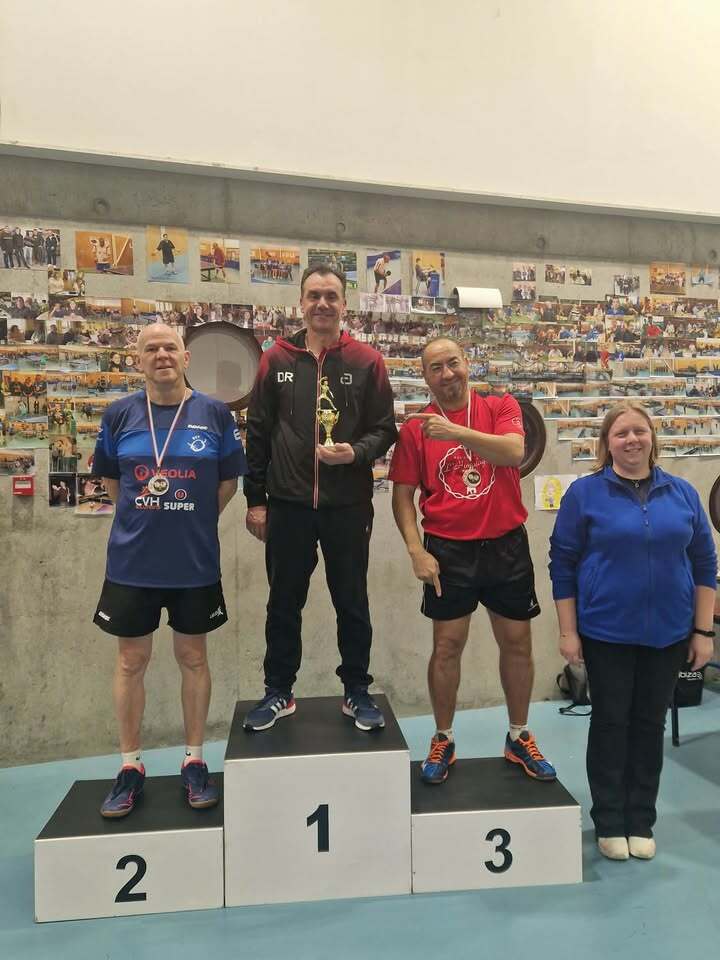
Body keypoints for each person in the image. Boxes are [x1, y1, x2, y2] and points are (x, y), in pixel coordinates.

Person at [549, 400, 717, 861]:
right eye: (621, 433)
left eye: (639, 431)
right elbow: (562, 565)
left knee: (649, 723)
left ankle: (640, 819)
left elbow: (705, 564)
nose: (632, 440)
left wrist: (703, 632)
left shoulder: (682, 493)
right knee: (610, 722)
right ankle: (609, 820)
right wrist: (568, 632)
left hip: (669, 634)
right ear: (607, 443)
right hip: (606, 633)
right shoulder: (585, 494)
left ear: (652, 438)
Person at [92, 323, 246, 817]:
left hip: (193, 563)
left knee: (193, 658)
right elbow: (114, 484)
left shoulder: (214, 413)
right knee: (130, 662)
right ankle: (130, 765)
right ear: (138, 360)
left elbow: (228, 484)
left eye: (169, 347)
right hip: (132, 564)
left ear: (186, 357)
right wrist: (145, 519)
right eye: (151, 349)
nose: (161, 355)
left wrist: (191, 520)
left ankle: (194, 760)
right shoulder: (119, 414)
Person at [389, 337, 556, 784]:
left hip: (505, 545)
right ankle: (443, 738)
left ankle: (519, 736)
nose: (447, 374)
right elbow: (402, 496)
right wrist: (415, 550)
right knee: (447, 646)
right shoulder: (415, 430)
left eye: (453, 363)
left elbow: (513, 452)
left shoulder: (501, 406)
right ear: (425, 377)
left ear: (467, 363)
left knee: (517, 643)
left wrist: (456, 433)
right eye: (435, 368)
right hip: (448, 550)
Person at [243, 264, 397, 732]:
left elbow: (384, 429)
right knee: (283, 603)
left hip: (347, 505)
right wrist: (256, 500)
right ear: (301, 303)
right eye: (314, 295)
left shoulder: (367, 361)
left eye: (331, 296)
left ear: (344, 305)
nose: (323, 304)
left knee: (352, 601)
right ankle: (278, 691)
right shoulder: (276, 359)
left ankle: (356, 691)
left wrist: (356, 453)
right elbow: (258, 431)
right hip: (287, 505)